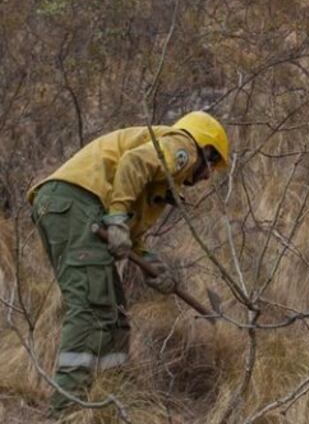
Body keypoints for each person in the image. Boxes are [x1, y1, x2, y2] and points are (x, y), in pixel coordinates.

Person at [27, 111, 230, 416]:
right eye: (212, 165)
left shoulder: (162, 184)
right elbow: (134, 163)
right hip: (76, 203)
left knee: (115, 316)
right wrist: (117, 217)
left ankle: (110, 400)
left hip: (73, 208)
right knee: (90, 308)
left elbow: (133, 239)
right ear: (206, 148)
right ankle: (65, 411)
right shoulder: (182, 148)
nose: (207, 176)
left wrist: (153, 266)